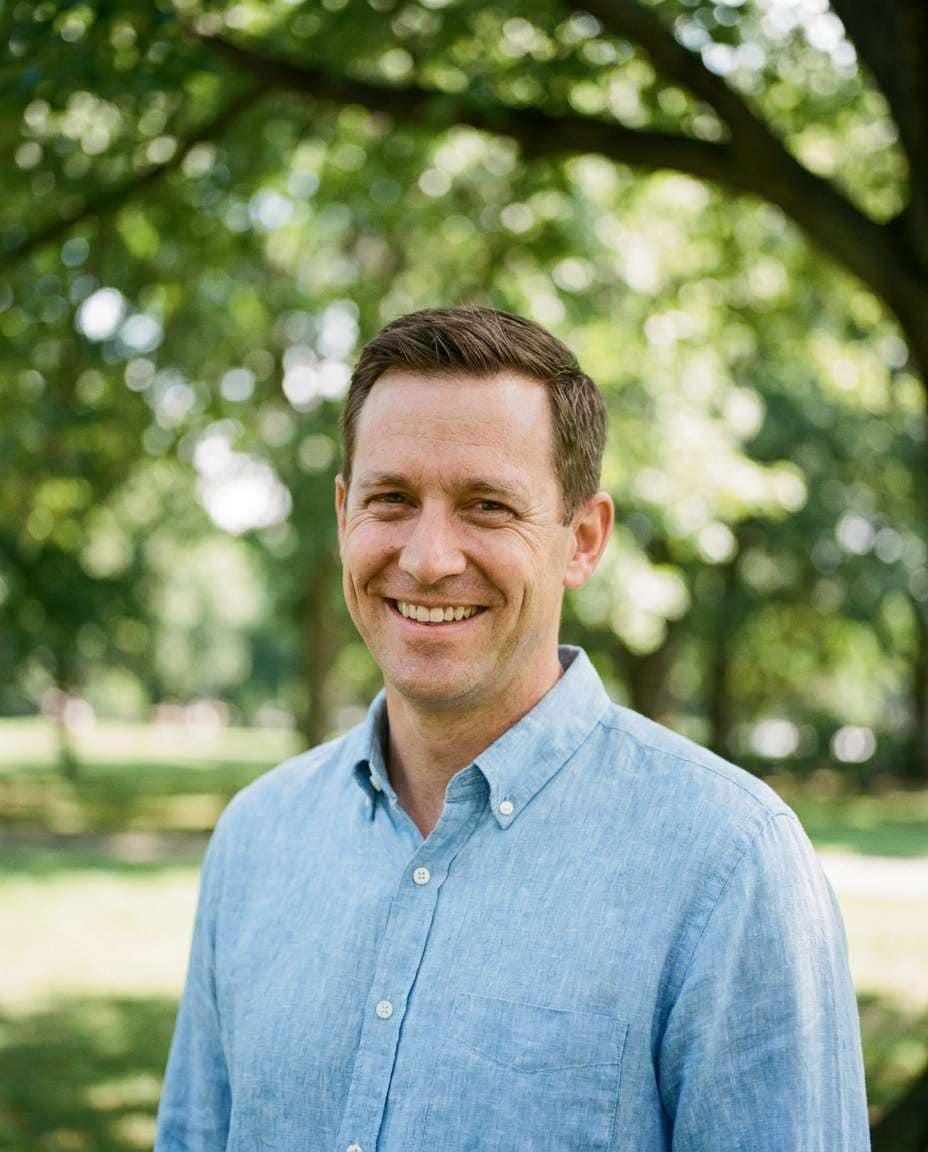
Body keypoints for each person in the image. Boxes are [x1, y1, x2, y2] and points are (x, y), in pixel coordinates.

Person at [155, 306, 870, 1151]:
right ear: (345, 513)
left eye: (487, 506)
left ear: (584, 538)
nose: (426, 558)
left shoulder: (729, 865)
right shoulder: (256, 840)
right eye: (391, 499)